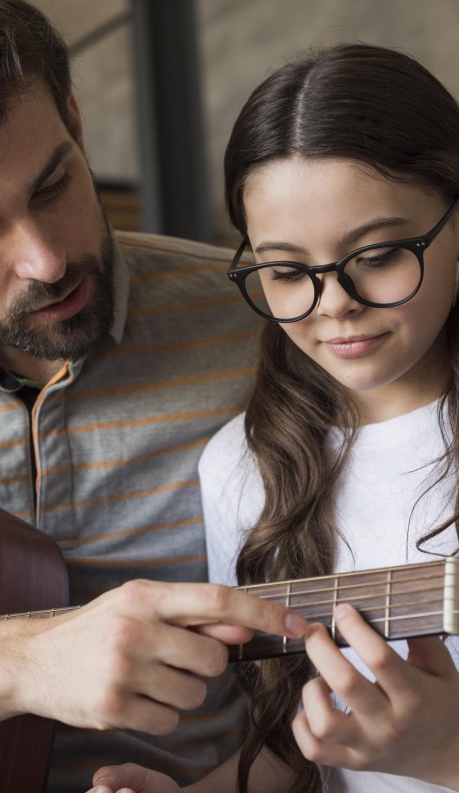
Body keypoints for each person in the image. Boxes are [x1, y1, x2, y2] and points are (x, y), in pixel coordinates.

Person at [0, 0, 310, 791]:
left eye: (52, 185)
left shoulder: (272, 321)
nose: (44, 259)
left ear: (73, 117)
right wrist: (26, 661)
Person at [86, 43, 459, 793]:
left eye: (380, 254)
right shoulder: (244, 467)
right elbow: (299, 752)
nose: (333, 304)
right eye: (286, 272)